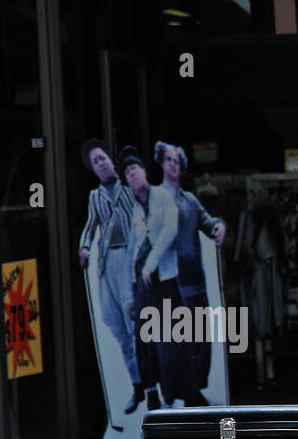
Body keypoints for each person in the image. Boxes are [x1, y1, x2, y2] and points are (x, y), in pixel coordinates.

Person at [157, 141, 226, 405]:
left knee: (200, 340)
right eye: (169, 160)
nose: (173, 165)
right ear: (162, 164)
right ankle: (177, 392)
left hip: (195, 281)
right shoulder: (157, 199)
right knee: (176, 342)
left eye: (177, 161)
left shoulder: (190, 200)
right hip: (171, 283)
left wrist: (219, 226)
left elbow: (209, 223)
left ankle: (194, 390)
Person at [78, 139, 142, 414]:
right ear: (92, 169)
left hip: (128, 260)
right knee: (115, 325)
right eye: (96, 161)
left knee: (134, 325)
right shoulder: (95, 197)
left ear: (111, 160)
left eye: (103, 158)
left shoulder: (129, 191)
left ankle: (150, 386)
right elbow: (91, 226)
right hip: (107, 264)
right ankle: (137, 386)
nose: (101, 164)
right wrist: (84, 247)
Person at [120, 146, 178, 412]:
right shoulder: (132, 211)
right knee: (143, 340)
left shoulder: (163, 197)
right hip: (141, 285)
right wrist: (129, 296)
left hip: (163, 279)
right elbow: (129, 252)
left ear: (144, 171)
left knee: (168, 337)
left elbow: (169, 230)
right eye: (127, 172)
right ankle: (151, 393)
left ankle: (171, 393)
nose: (131, 174)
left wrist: (151, 263)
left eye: (135, 169)